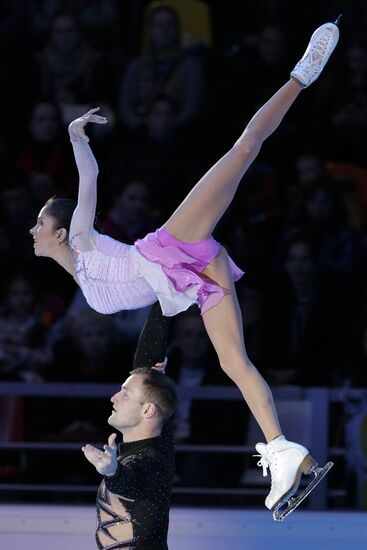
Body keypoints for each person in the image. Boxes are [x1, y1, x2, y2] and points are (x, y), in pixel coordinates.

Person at [30, 20, 340, 513]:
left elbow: (88, 175)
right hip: (186, 281)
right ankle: (285, 453)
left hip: (170, 247)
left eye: (39, 224)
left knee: (242, 150)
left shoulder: (84, 240)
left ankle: (301, 75)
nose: (32, 231)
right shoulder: (85, 290)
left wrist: (76, 137)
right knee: (232, 363)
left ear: (61, 233)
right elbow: (154, 311)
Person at [82, 301, 177, 549]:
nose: (114, 398)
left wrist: (114, 472)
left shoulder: (152, 459)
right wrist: (162, 298)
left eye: (125, 394)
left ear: (147, 410)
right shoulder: (159, 437)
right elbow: (145, 361)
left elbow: (133, 481)